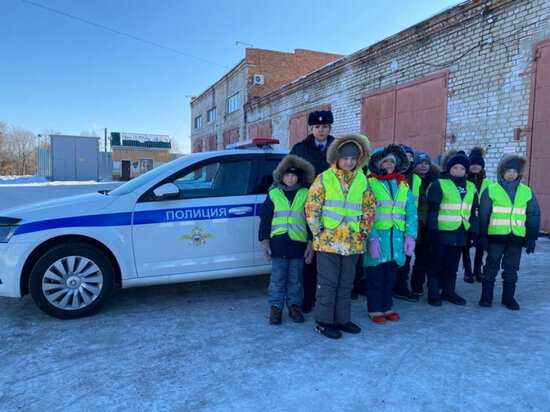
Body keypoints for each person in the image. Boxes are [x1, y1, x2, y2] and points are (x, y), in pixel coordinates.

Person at [305, 133, 375, 339]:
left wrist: (364, 230)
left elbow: (369, 207)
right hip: (328, 241)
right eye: (345, 158)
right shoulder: (324, 178)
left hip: (353, 241)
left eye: (353, 159)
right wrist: (317, 230)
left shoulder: (362, 179)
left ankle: (342, 319)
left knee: (346, 283)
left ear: (359, 160)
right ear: (337, 158)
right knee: (328, 283)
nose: (349, 162)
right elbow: (312, 205)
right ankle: (323, 322)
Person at [478, 155, 541, 310]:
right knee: (491, 267)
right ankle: (486, 297)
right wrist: (483, 236)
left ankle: (508, 298)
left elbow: (533, 214)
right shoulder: (491, 190)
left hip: (516, 237)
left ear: (519, 173)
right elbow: (484, 215)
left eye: (514, 171)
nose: (511, 174)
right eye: (508, 170)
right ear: (502, 172)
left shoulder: (526, 191)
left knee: (512, 268)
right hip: (496, 236)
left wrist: (531, 237)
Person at [258, 155, 316, 324]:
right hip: (278, 245)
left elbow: (312, 219)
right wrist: (264, 241)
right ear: (281, 176)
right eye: (287, 175)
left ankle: (294, 305)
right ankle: (276, 307)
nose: (290, 178)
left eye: (294, 175)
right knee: (277, 279)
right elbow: (265, 218)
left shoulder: (306, 194)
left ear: (299, 177)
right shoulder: (274, 194)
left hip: (298, 246)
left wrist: (311, 243)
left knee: (296, 279)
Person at [364, 144, 418, 323]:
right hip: (378, 239)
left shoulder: (403, 185)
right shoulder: (369, 182)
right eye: (385, 161)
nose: (388, 164)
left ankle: (387, 307)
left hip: (397, 240)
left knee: (390, 278)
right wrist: (371, 238)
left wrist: (410, 235)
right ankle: (374, 309)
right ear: (377, 163)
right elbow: (366, 212)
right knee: (375, 278)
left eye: (391, 162)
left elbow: (410, 212)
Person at [290, 110, 336, 313]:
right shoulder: (300, 148)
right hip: (307, 206)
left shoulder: (338, 148)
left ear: (329, 128)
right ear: (311, 128)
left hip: (332, 207)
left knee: (327, 256)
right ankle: (308, 297)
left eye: (324, 126)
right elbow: (288, 173)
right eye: (317, 127)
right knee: (309, 253)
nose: (321, 130)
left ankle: (326, 297)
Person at [426, 150, 479, 306]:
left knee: (452, 265)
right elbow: (432, 210)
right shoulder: (439, 184)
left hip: (460, 233)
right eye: (455, 168)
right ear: (449, 168)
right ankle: (433, 294)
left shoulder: (470, 187)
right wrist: (433, 229)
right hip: (441, 233)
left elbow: (473, 212)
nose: (458, 171)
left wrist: (474, 232)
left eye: (462, 169)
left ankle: (449, 292)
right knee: (436, 264)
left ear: (466, 171)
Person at [392, 144, 427, 303]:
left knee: (406, 256)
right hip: (393, 224)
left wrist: (419, 221)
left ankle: (401, 286)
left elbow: (423, 203)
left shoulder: (417, 179)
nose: (409, 159)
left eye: (411, 156)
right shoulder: (391, 176)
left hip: (411, 224)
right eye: (405, 156)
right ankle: (392, 285)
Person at [410, 150, 441, 296]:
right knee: (410, 256)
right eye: (420, 163)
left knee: (425, 257)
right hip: (413, 223)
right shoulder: (410, 179)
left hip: (430, 225)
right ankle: (409, 284)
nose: (423, 166)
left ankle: (422, 284)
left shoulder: (435, 180)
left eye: (426, 163)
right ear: (414, 165)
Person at [462, 147, 491, 283]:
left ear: (482, 166)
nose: (475, 167)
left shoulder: (488, 183)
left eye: (478, 164)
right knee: (465, 245)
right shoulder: (463, 181)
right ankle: (467, 271)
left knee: (480, 245)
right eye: (472, 164)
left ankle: (477, 269)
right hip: (467, 217)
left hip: (483, 218)